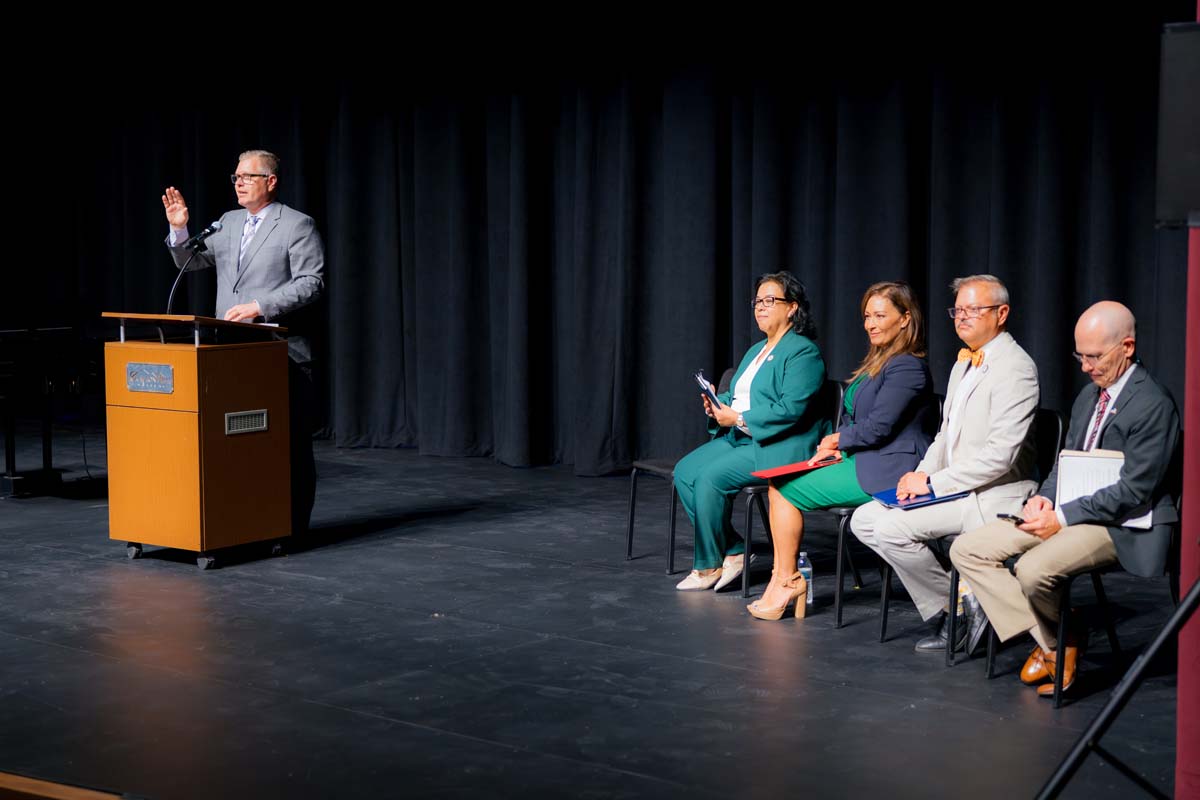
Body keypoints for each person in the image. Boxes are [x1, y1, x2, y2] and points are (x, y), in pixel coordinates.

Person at [950, 301, 1180, 696]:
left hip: (1124, 523)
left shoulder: (1153, 404)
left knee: (1034, 569)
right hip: (1071, 510)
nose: (1086, 367)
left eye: (1095, 357)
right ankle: (1057, 641)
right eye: (1080, 356)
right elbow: (1066, 461)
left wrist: (1064, 517)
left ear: (1127, 346)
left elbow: (1134, 490)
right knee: (968, 549)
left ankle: (1055, 641)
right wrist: (1044, 499)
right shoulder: (1089, 397)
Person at [850, 274, 1039, 653]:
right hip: (956, 488)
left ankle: (959, 607)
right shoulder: (962, 365)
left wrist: (934, 485)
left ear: (1001, 314)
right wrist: (919, 473)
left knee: (890, 530)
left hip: (991, 495)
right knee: (864, 520)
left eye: (974, 310)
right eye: (958, 310)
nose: (963, 318)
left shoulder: (1016, 368)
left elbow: (999, 457)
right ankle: (961, 601)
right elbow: (944, 436)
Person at [162, 149, 325, 534]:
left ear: (271, 181)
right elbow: (191, 261)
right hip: (229, 351)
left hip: (279, 351)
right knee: (239, 439)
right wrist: (180, 229)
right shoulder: (227, 223)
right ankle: (249, 521)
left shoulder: (297, 225)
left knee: (288, 444)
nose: (238, 182)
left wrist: (259, 305)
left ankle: (294, 528)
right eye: (235, 177)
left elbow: (311, 283)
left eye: (247, 177)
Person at [750, 281, 935, 620]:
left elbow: (880, 426)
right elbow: (854, 416)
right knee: (781, 482)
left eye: (880, 315)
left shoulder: (908, 366)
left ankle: (787, 581)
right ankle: (786, 580)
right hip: (861, 457)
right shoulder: (877, 363)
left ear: (906, 318)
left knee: (785, 491)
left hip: (890, 468)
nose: (871, 323)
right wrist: (838, 445)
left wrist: (838, 441)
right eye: (867, 316)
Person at [673, 272, 830, 591]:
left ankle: (708, 565)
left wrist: (738, 417)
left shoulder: (803, 353)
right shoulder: (755, 350)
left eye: (770, 300)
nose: (761, 306)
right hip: (741, 436)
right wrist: (719, 407)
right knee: (685, 472)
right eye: (758, 301)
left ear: (792, 308)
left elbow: (791, 409)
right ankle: (733, 550)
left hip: (780, 443)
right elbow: (741, 395)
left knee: (710, 479)